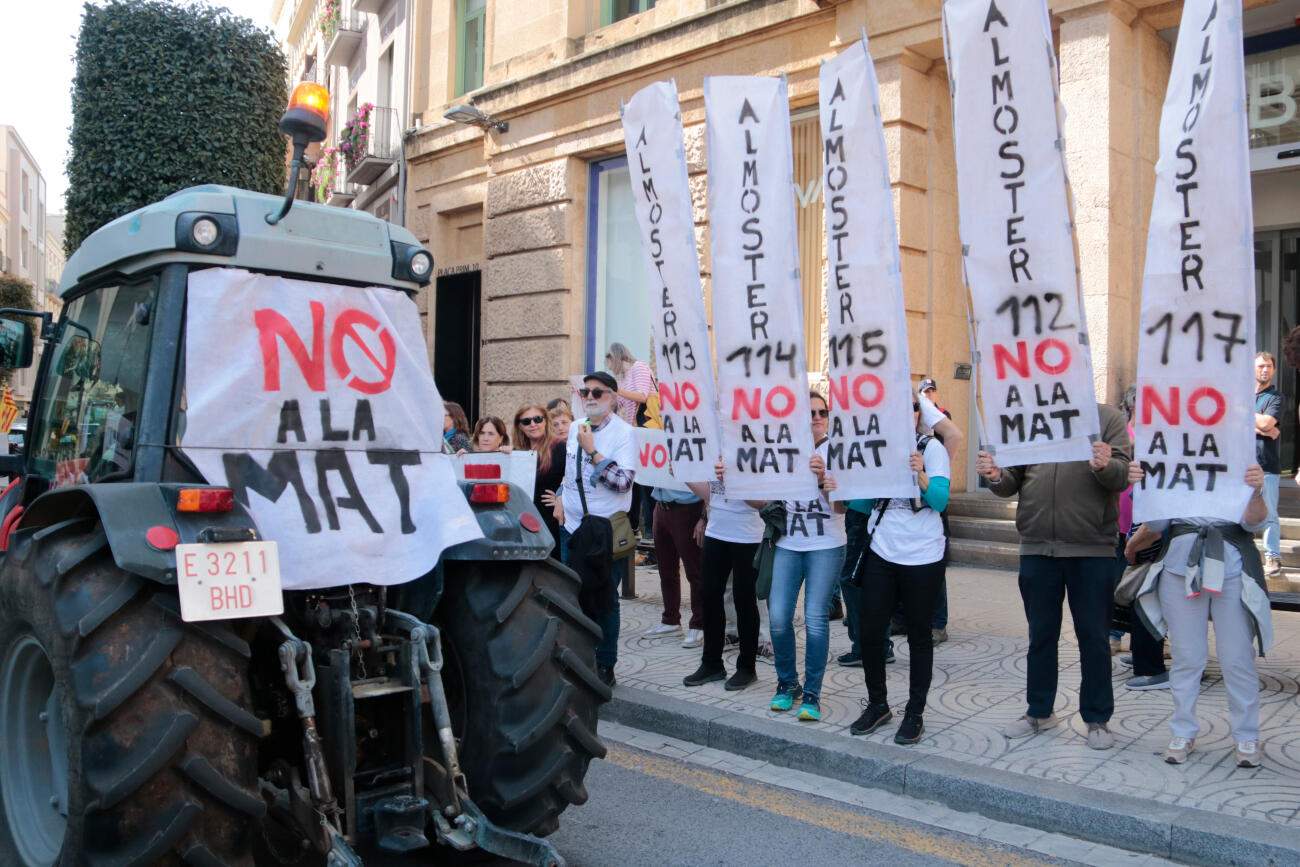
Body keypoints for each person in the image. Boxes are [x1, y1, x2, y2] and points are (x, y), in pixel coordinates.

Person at [977, 402, 1131, 750]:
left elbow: (1123, 476)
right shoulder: (1032, 417)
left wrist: (1106, 465)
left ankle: (1096, 718)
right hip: (1036, 547)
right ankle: (1039, 711)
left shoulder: (1107, 419)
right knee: (1040, 636)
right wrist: (996, 475)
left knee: (1093, 638)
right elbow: (1011, 480)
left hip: (1091, 549)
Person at [1126, 463, 1272, 767]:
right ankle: (1183, 730)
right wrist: (1144, 486)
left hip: (1232, 569)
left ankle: (1246, 735)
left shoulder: (1241, 457)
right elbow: (1156, 523)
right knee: (1186, 656)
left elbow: (1254, 523)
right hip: (1180, 569)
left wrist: (1257, 492)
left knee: (1237, 658)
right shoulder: (1172, 457)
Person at [849, 398, 950, 745]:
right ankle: (878, 704)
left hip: (922, 554)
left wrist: (920, 474)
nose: (905, 414)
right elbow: (861, 503)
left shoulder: (932, 448)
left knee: (919, 635)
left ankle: (915, 712)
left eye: (911, 407)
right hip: (882, 550)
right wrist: (836, 484)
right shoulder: (877, 448)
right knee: (870, 630)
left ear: (919, 415)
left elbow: (940, 500)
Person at [765, 392, 847, 722]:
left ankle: (812, 693)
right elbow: (764, 501)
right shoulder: (785, 449)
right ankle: (788, 685)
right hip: (788, 543)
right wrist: (734, 480)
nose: (815, 417)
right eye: (809, 412)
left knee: (815, 618)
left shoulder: (838, 450)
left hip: (826, 544)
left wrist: (822, 480)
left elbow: (842, 507)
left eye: (821, 412)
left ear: (828, 417)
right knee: (779, 617)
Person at [554, 372, 637, 687]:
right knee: (573, 595)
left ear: (613, 398)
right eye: (585, 391)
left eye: (597, 393)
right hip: (572, 527)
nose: (589, 397)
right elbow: (568, 472)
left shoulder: (624, 434)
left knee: (604, 599)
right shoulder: (576, 426)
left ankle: (605, 664)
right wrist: (561, 499)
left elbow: (623, 482)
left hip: (605, 531)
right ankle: (577, 657)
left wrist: (592, 450)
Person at [682, 478, 764, 690]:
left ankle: (747, 667)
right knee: (708, 595)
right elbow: (710, 494)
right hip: (716, 530)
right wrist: (685, 476)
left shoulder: (754, 449)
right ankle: (711, 663)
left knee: (744, 599)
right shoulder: (715, 450)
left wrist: (732, 476)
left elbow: (762, 500)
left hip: (748, 533)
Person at [643, 484, 706, 647]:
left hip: (687, 507)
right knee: (666, 570)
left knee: (695, 571)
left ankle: (699, 624)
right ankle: (670, 619)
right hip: (660, 504)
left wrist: (704, 516)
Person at [515, 403, 565, 558]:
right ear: (520, 426)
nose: (533, 424)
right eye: (526, 421)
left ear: (545, 421)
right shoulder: (517, 451)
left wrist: (560, 497)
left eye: (537, 419)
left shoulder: (560, 447)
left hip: (551, 519)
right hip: (524, 518)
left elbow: (572, 477)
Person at [1254, 352, 1283, 577]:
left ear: (1273, 370)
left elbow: (1267, 422)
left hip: (1267, 466)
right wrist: (1256, 427)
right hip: (1240, 467)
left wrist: (1242, 417)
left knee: (1269, 514)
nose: (1265, 369)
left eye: (1269, 366)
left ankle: (1272, 556)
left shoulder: (1275, 397)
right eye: (1261, 366)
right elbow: (1229, 423)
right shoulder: (1241, 397)